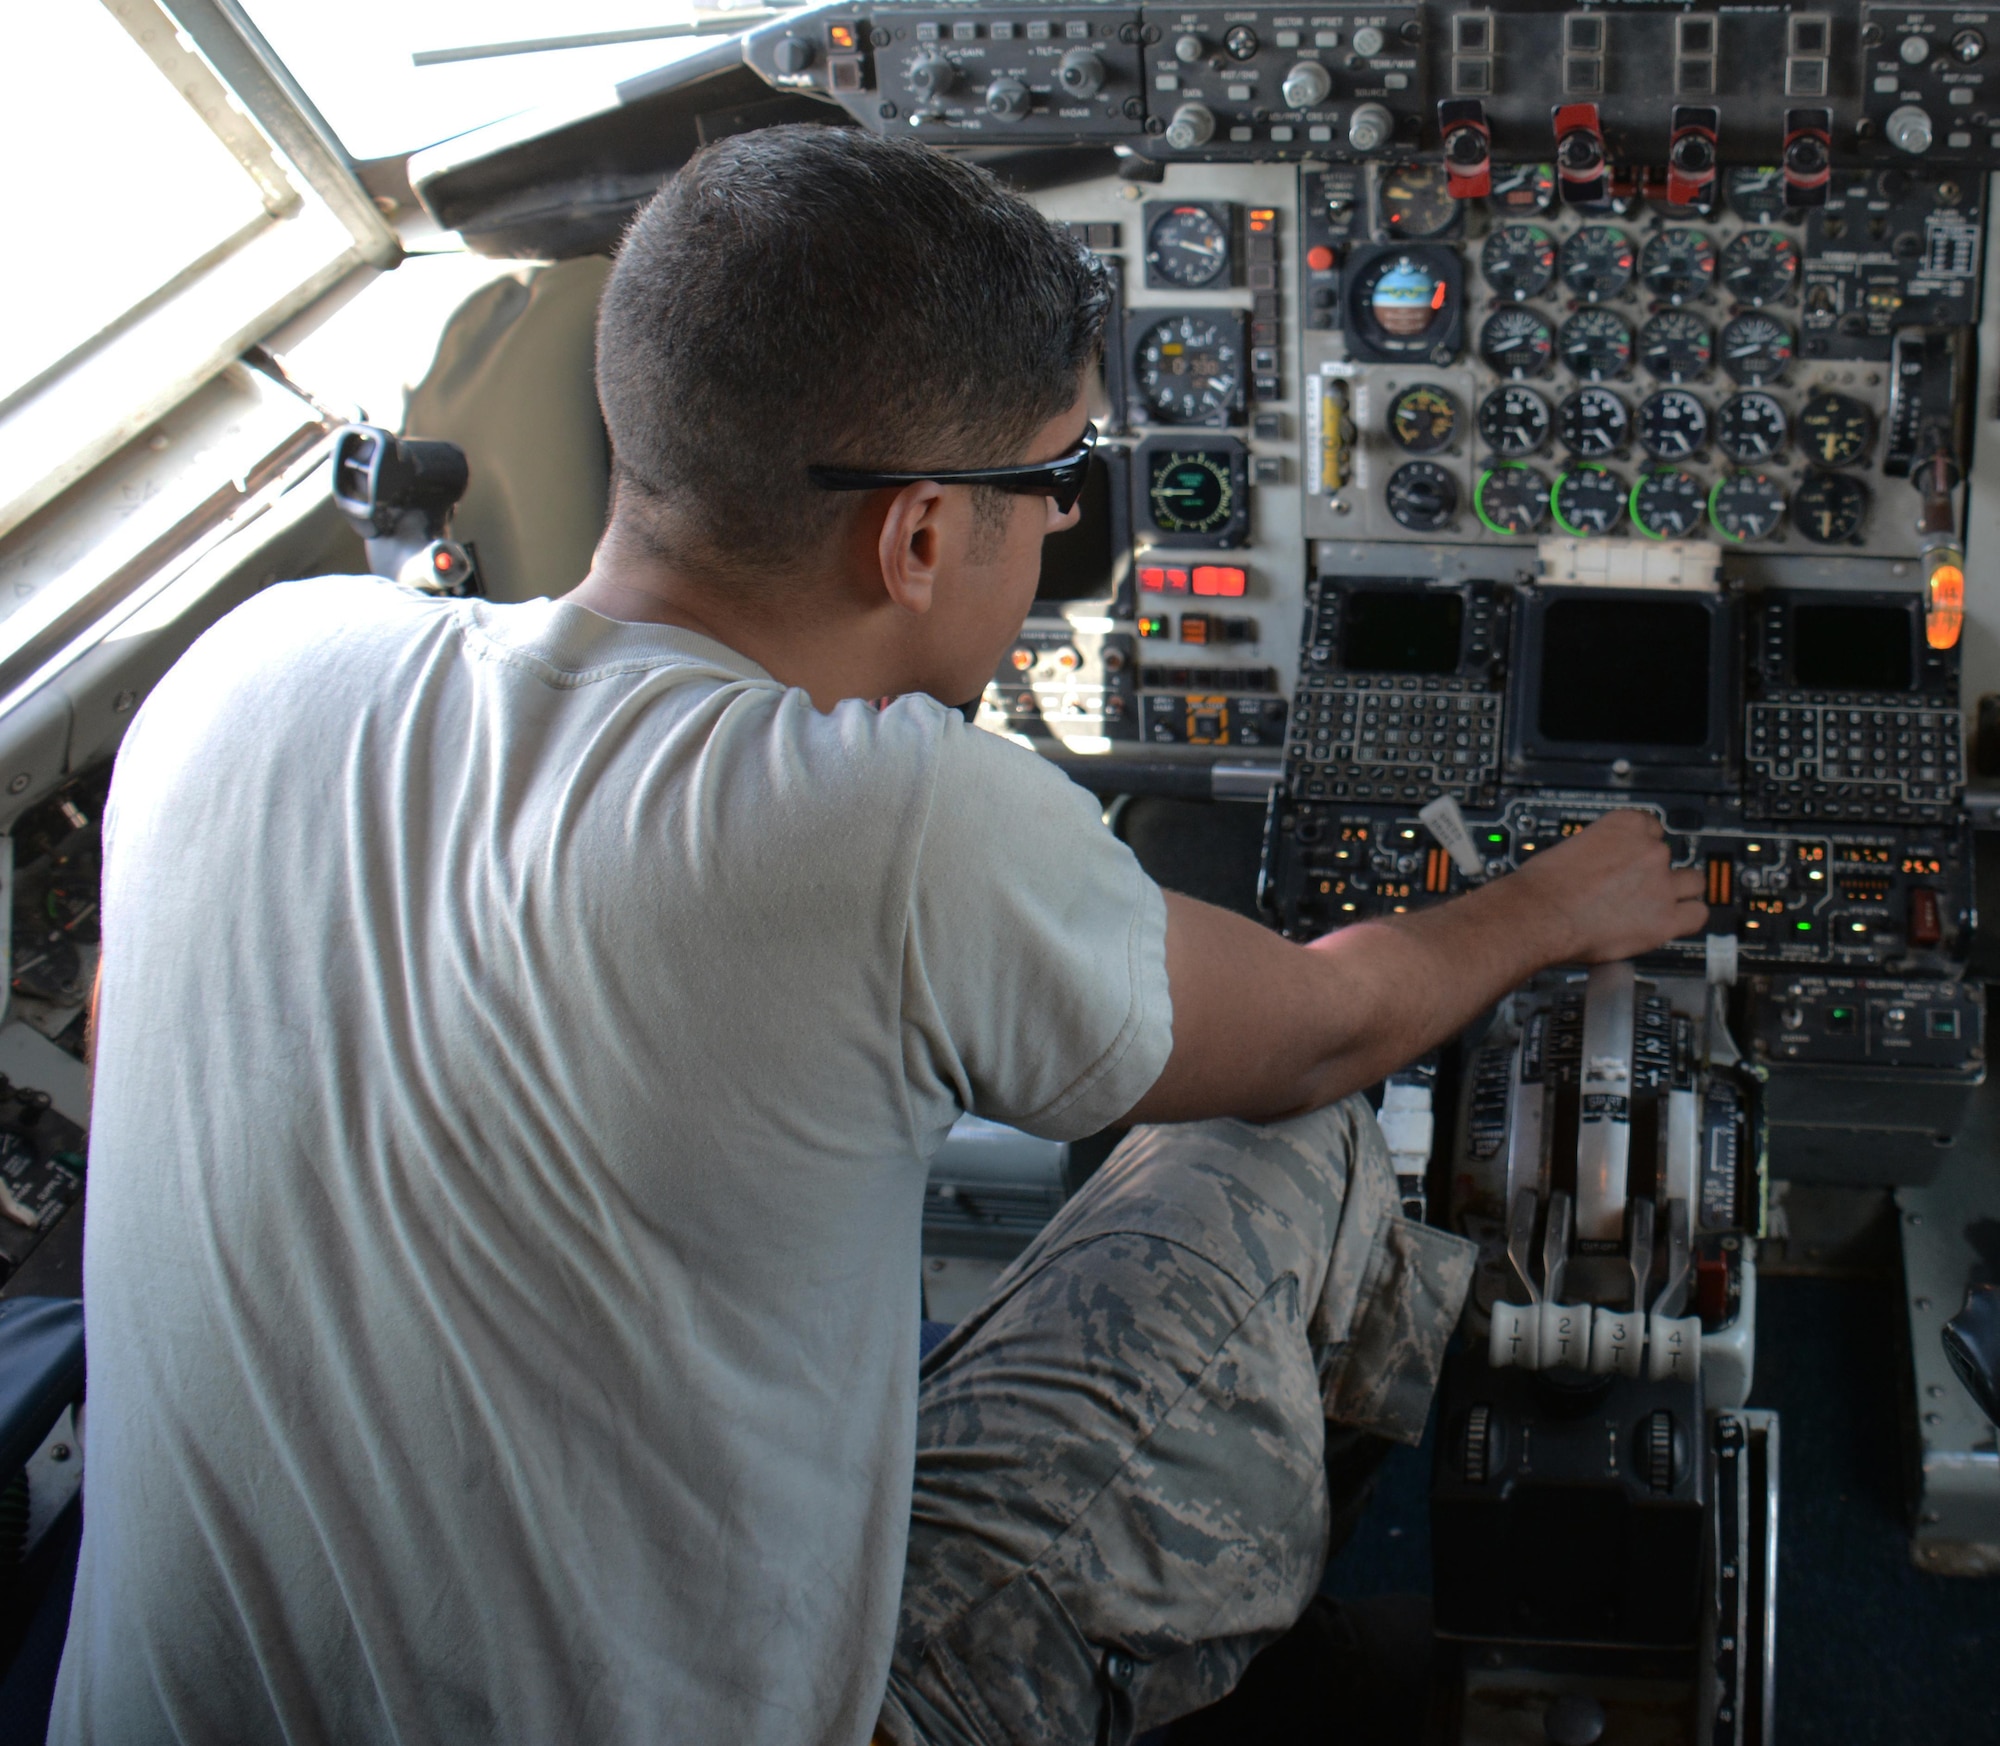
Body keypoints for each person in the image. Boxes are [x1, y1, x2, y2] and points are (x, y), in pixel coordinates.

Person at [51, 125, 1706, 1745]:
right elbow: (1325, 1027)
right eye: (1058, 484)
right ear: (917, 534)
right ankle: (1250, 1668)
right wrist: (1556, 902)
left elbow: (145, 1060)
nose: (1070, 527)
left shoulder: (243, 672)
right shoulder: (889, 818)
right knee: (1293, 1151)